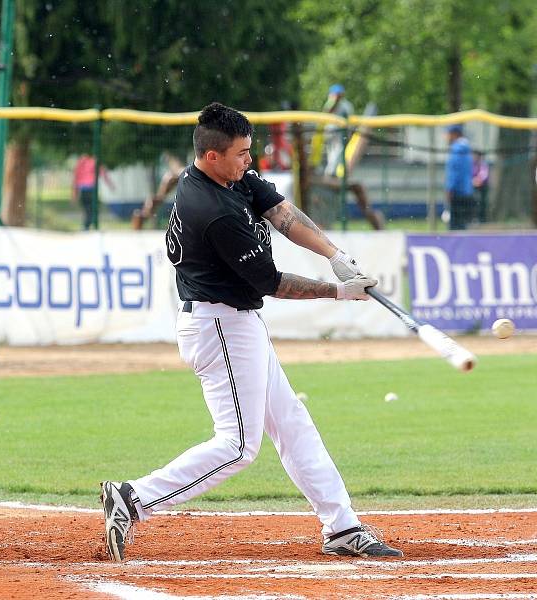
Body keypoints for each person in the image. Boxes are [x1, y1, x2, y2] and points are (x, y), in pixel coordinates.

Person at [101, 102, 402, 562]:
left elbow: (281, 213)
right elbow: (272, 283)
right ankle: (133, 498)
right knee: (239, 445)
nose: (249, 161)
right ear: (212, 156)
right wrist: (339, 292)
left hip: (236, 322)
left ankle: (341, 526)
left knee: (292, 424)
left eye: (249, 152)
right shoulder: (212, 209)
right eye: (241, 154)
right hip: (219, 325)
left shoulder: (229, 177)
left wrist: (333, 253)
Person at [444, 124, 474, 230]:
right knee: (463, 225)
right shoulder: (467, 149)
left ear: (454, 134)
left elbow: (454, 172)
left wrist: (449, 189)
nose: (446, 137)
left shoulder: (456, 150)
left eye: (448, 134)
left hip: (457, 192)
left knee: (455, 226)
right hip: (467, 191)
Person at [72, 154, 112, 230]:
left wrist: (74, 193)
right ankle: (88, 225)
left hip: (83, 190)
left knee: (88, 209)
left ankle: (87, 225)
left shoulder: (80, 163)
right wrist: (110, 185)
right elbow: (103, 174)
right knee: (93, 208)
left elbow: (76, 179)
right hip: (91, 189)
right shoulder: (94, 162)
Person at [322, 84, 355, 176]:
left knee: (338, 152)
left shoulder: (346, 105)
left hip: (341, 133)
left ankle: (332, 172)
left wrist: (350, 133)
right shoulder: (330, 103)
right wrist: (333, 101)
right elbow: (326, 113)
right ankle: (331, 172)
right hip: (330, 133)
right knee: (332, 153)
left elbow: (350, 121)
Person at [471, 150, 490, 223]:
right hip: (473, 187)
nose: (474, 157)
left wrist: (478, 180)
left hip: (483, 187)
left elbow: (484, 174)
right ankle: (473, 218)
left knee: (482, 203)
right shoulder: (472, 164)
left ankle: (482, 219)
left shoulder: (483, 164)